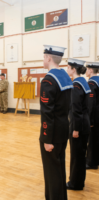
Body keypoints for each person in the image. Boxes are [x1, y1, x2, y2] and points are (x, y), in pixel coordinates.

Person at [40, 45, 73, 200]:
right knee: (59, 167)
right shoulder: (65, 76)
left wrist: (47, 139)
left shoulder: (49, 80)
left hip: (52, 134)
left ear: (48, 58)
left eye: (44, 56)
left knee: (52, 171)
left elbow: (47, 113)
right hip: (63, 128)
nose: (43, 59)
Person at [66, 58, 91, 190]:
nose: (67, 69)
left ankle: (74, 183)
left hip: (78, 126)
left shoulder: (76, 85)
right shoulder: (83, 82)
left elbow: (76, 109)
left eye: (68, 67)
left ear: (73, 69)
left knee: (76, 156)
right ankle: (79, 182)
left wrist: (75, 129)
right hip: (85, 124)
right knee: (81, 156)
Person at [86, 62, 99, 169]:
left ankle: (91, 162)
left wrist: (90, 121)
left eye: (87, 69)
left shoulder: (91, 83)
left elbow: (91, 104)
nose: (86, 71)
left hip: (95, 117)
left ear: (91, 70)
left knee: (92, 140)